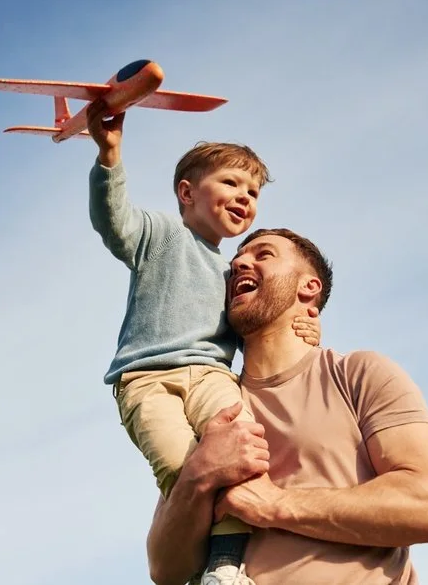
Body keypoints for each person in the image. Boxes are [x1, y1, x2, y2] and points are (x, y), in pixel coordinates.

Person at [85, 101, 322, 585]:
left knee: (244, 452)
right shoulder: (160, 233)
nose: (245, 197)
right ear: (187, 193)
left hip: (213, 376)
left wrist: (307, 324)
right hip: (147, 381)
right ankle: (193, 561)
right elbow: (113, 221)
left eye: (253, 191)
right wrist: (109, 155)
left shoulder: (235, 273)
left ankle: (226, 565)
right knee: (183, 468)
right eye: (232, 183)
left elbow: (258, 328)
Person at [146, 228, 428, 585]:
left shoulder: (358, 374)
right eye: (236, 260)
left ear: (308, 288)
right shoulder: (207, 402)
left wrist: (273, 504)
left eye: (263, 254)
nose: (239, 263)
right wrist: (199, 475)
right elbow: (165, 569)